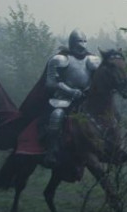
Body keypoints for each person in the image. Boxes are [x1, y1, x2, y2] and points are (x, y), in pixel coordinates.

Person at [41, 29, 100, 166]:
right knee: (57, 115)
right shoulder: (59, 59)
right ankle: (51, 150)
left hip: (85, 99)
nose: (82, 44)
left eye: (84, 41)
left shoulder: (92, 60)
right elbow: (50, 83)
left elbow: (98, 81)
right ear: (72, 42)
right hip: (63, 99)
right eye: (79, 41)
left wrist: (89, 89)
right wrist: (70, 91)